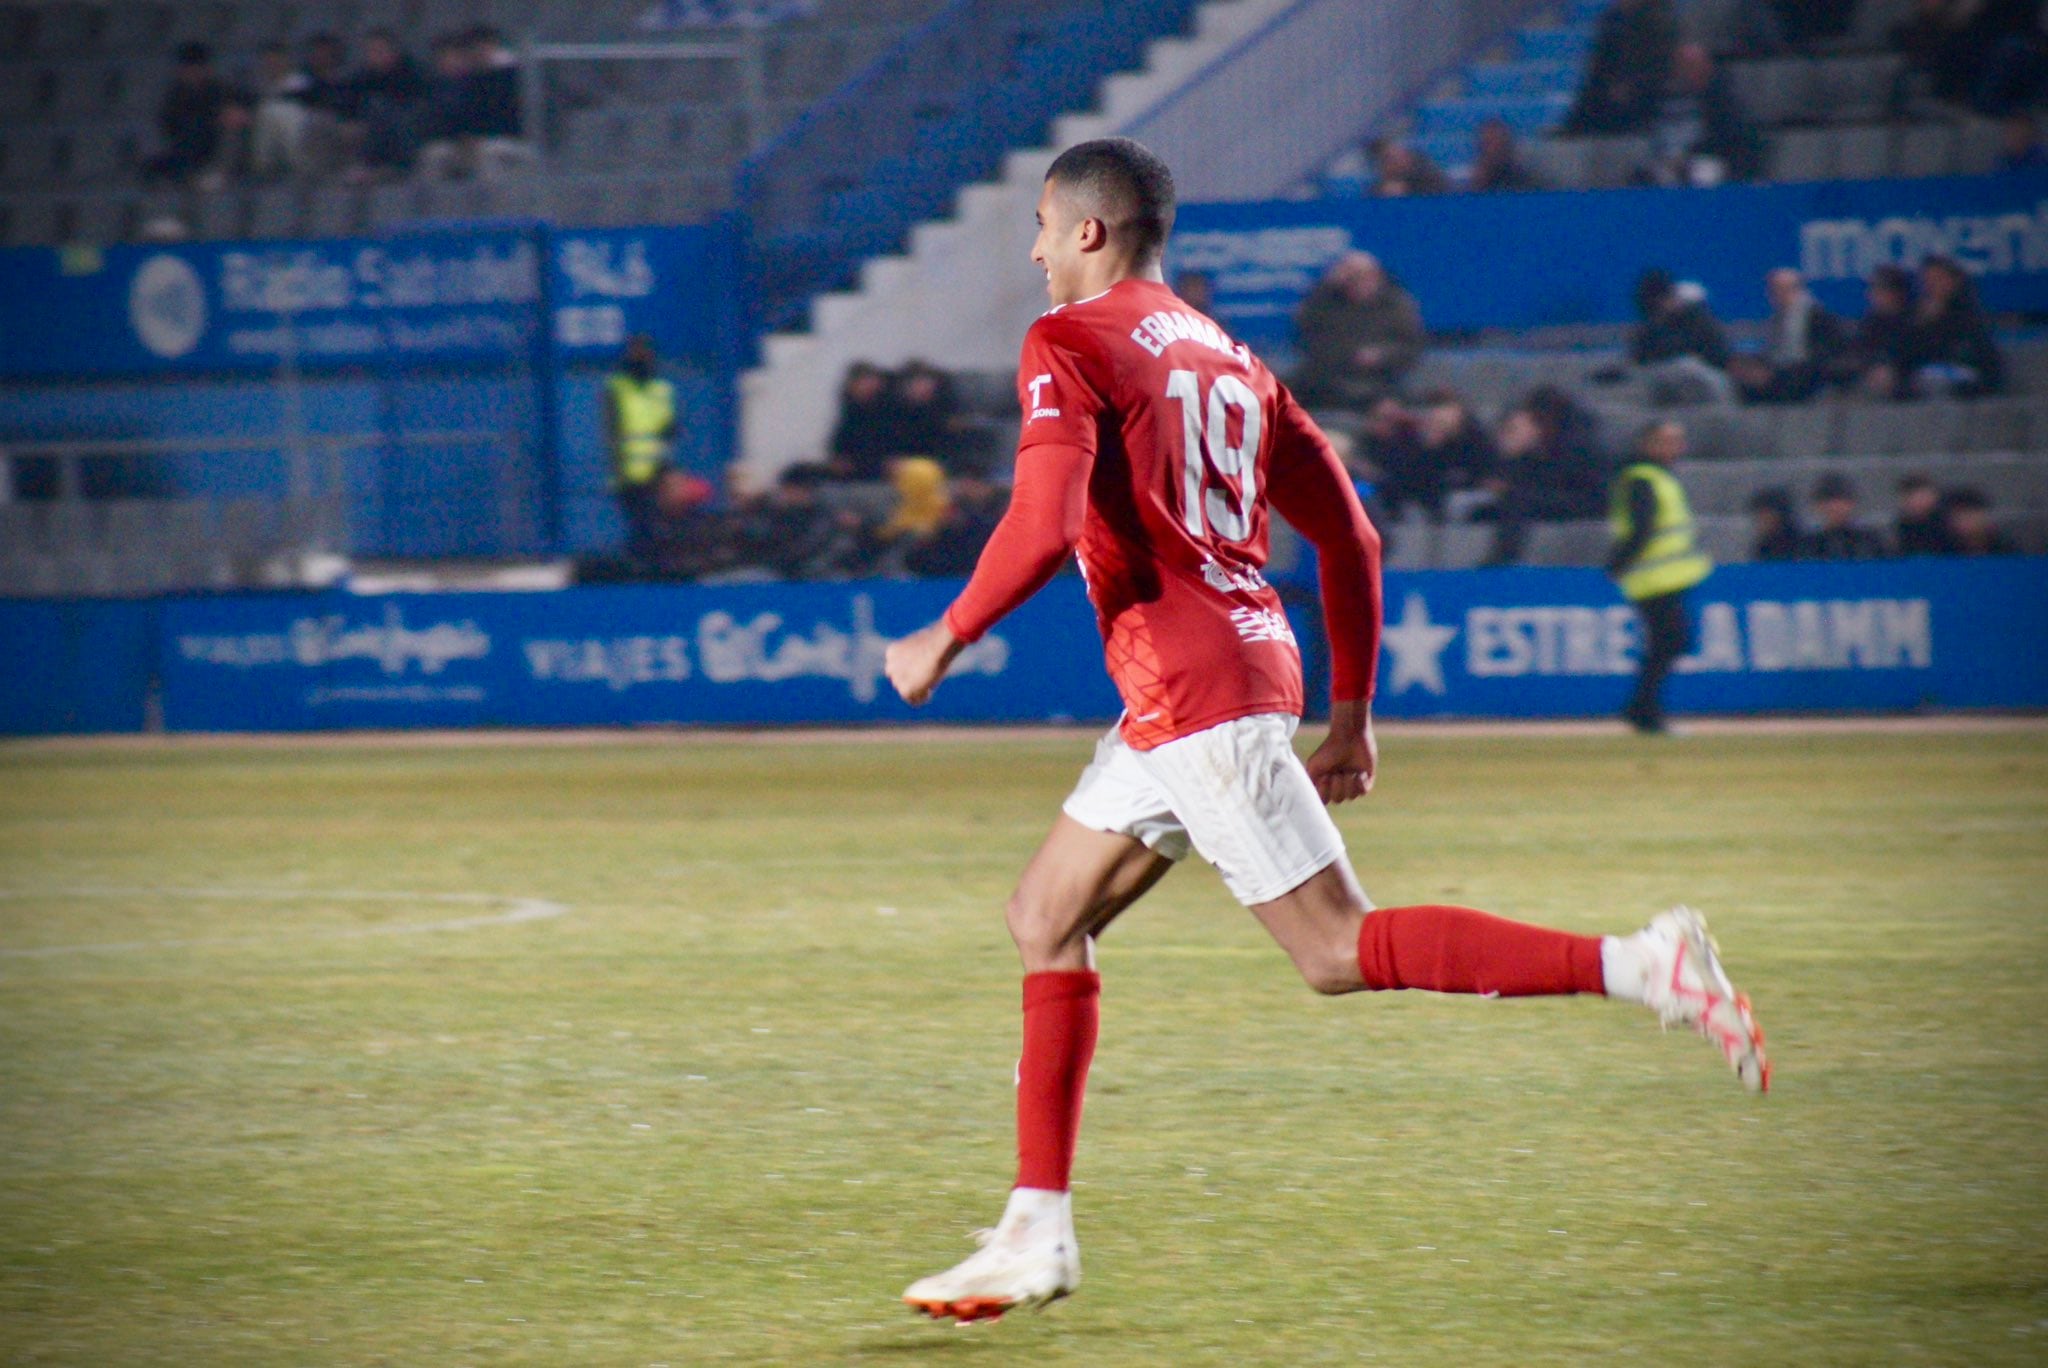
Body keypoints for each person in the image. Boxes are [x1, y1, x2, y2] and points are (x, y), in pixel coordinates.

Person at [881, 138, 1769, 1323]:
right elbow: (1349, 539)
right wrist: (1348, 714)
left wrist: (945, 631)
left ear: (1088, 232)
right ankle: (1032, 1232)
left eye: (1042, 225)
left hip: (1194, 690)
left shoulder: (1069, 342)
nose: (1034, 248)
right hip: (1218, 675)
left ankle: (1642, 963)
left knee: (1333, 949)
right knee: (1044, 916)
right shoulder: (1232, 358)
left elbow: (1040, 524)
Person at [1606, 421, 1711, 735]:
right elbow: (1642, 526)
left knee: (1668, 642)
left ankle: (1641, 708)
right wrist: (1619, 564)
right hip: (1652, 578)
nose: (1673, 447)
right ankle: (1642, 710)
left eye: (1677, 440)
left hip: (1662, 577)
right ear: (1646, 444)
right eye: (1665, 441)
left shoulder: (1657, 477)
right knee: (1672, 641)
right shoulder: (1642, 479)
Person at [1482, 385, 1611, 563]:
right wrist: (1508, 455)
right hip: (1553, 499)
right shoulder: (1534, 452)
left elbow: (1593, 496)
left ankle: (1503, 561)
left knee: (1518, 500)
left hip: (1585, 504)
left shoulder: (1578, 448)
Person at [1288, 251, 1426, 410]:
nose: (1359, 284)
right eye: (1352, 279)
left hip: (1378, 381)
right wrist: (1325, 287)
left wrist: (1382, 354)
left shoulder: (1396, 305)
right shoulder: (1326, 302)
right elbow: (1304, 327)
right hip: (1326, 377)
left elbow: (1411, 346)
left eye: (1364, 278)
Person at [1638, 43, 1766, 187]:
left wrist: (1689, 154)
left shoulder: (1723, 99)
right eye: (1681, 66)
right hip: (1668, 159)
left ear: (1706, 65)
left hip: (1713, 160)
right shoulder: (1662, 96)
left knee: (1700, 175)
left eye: (1691, 65)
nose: (1685, 71)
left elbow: (1729, 137)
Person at [604, 335, 680, 567]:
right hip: (629, 474)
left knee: (656, 531)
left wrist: (668, 470)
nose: (640, 358)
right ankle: (638, 573)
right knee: (641, 528)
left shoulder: (662, 389)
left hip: (657, 473)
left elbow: (670, 429)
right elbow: (610, 429)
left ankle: (652, 572)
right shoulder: (618, 387)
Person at [1731, 269, 1851, 404]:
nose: (1775, 295)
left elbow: (1824, 355)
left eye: (1779, 290)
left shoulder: (1818, 318)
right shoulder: (1776, 319)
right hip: (1779, 371)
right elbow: (1772, 351)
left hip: (1806, 374)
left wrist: (1782, 372)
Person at [142, 42, 250, 189]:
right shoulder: (175, 95)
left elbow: (241, 107)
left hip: (214, 145)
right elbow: (169, 127)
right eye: (188, 69)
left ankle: (218, 175)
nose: (192, 73)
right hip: (186, 149)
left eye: (196, 68)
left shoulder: (220, 90)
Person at [1565, 0, 1679, 133]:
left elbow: (1660, 70)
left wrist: (1632, 87)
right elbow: (1598, 71)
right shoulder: (1613, 22)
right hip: (1606, 105)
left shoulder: (1660, 24)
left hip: (1645, 106)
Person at [1629, 269, 1734, 405]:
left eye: (1666, 298)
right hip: (1665, 388)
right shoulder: (1647, 331)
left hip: (1707, 382)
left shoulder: (1699, 319)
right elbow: (1641, 359)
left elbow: (1719, 354)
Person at [1904, 257, 2004, 397]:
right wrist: (1922, 324)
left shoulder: (1969, 313)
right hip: (1928, 375)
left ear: (1954, 280)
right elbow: (1909, 354)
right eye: (1927, 280)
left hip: (1968, 374)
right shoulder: (1916, 315)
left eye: (1938, 278)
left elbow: (1979, 354)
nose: (1931, 285)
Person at [1842, 265, 1919, 399]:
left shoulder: (1914, 321)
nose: (1871, 295)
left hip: (1906, 383)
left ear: (1896, 293)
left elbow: (1913, 355)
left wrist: (1893, 370)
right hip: (1868, 378)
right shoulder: (1870, 322)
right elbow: (1859, 352)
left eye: (1879, 289)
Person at [826, 362, 904, 481]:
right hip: (857, 468)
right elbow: (841, 441)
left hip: (887, 468)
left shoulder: (891, 411)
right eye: (862, 382)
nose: (866, 386)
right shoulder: (851, 411)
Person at [247, 43, 312, 181]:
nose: (273, 64)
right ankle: (263, 165)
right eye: (269, 61)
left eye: (277, 60)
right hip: (265, 123)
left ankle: (297, 163)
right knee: (266, 112)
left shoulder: (299, 82)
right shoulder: (257, 84)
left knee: (284, 112)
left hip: (296, 121)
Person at [1799, 473, 1887, 559]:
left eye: (1841, 501)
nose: (1835, 506)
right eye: (1828, 501)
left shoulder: (1869, 541)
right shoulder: (1808, 543)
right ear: (1818, 506)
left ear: (1852, 504)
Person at [1468, 117, 1543, 192]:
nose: (1492, 150)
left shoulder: (1524, 182)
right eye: (1488, 144)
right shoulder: (1476, 182)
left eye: (1497, 145)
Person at [1942, 487, 2017, 554]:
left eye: (1970, 515)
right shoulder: (1942, 550)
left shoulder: (2005, 550)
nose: (1966, 522)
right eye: (1959, 517)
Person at [1892, 473, 1953, 555]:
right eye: (1912, 497)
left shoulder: (1950, 526)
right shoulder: (1902, 528)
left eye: (1923, 496)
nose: (1919, 501)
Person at [1369, 136, 1451, 196]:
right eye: (1389, 159)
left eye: (1401, 156)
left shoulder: (1429, 177)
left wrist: (1408, 189)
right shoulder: (1378, 187)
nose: (1397, 162)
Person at [1748, 486, 1800, 560]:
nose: (1760, 520)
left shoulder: (1802, 545)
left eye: (1765, 514)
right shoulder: (1763, 548)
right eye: (1758, 515)